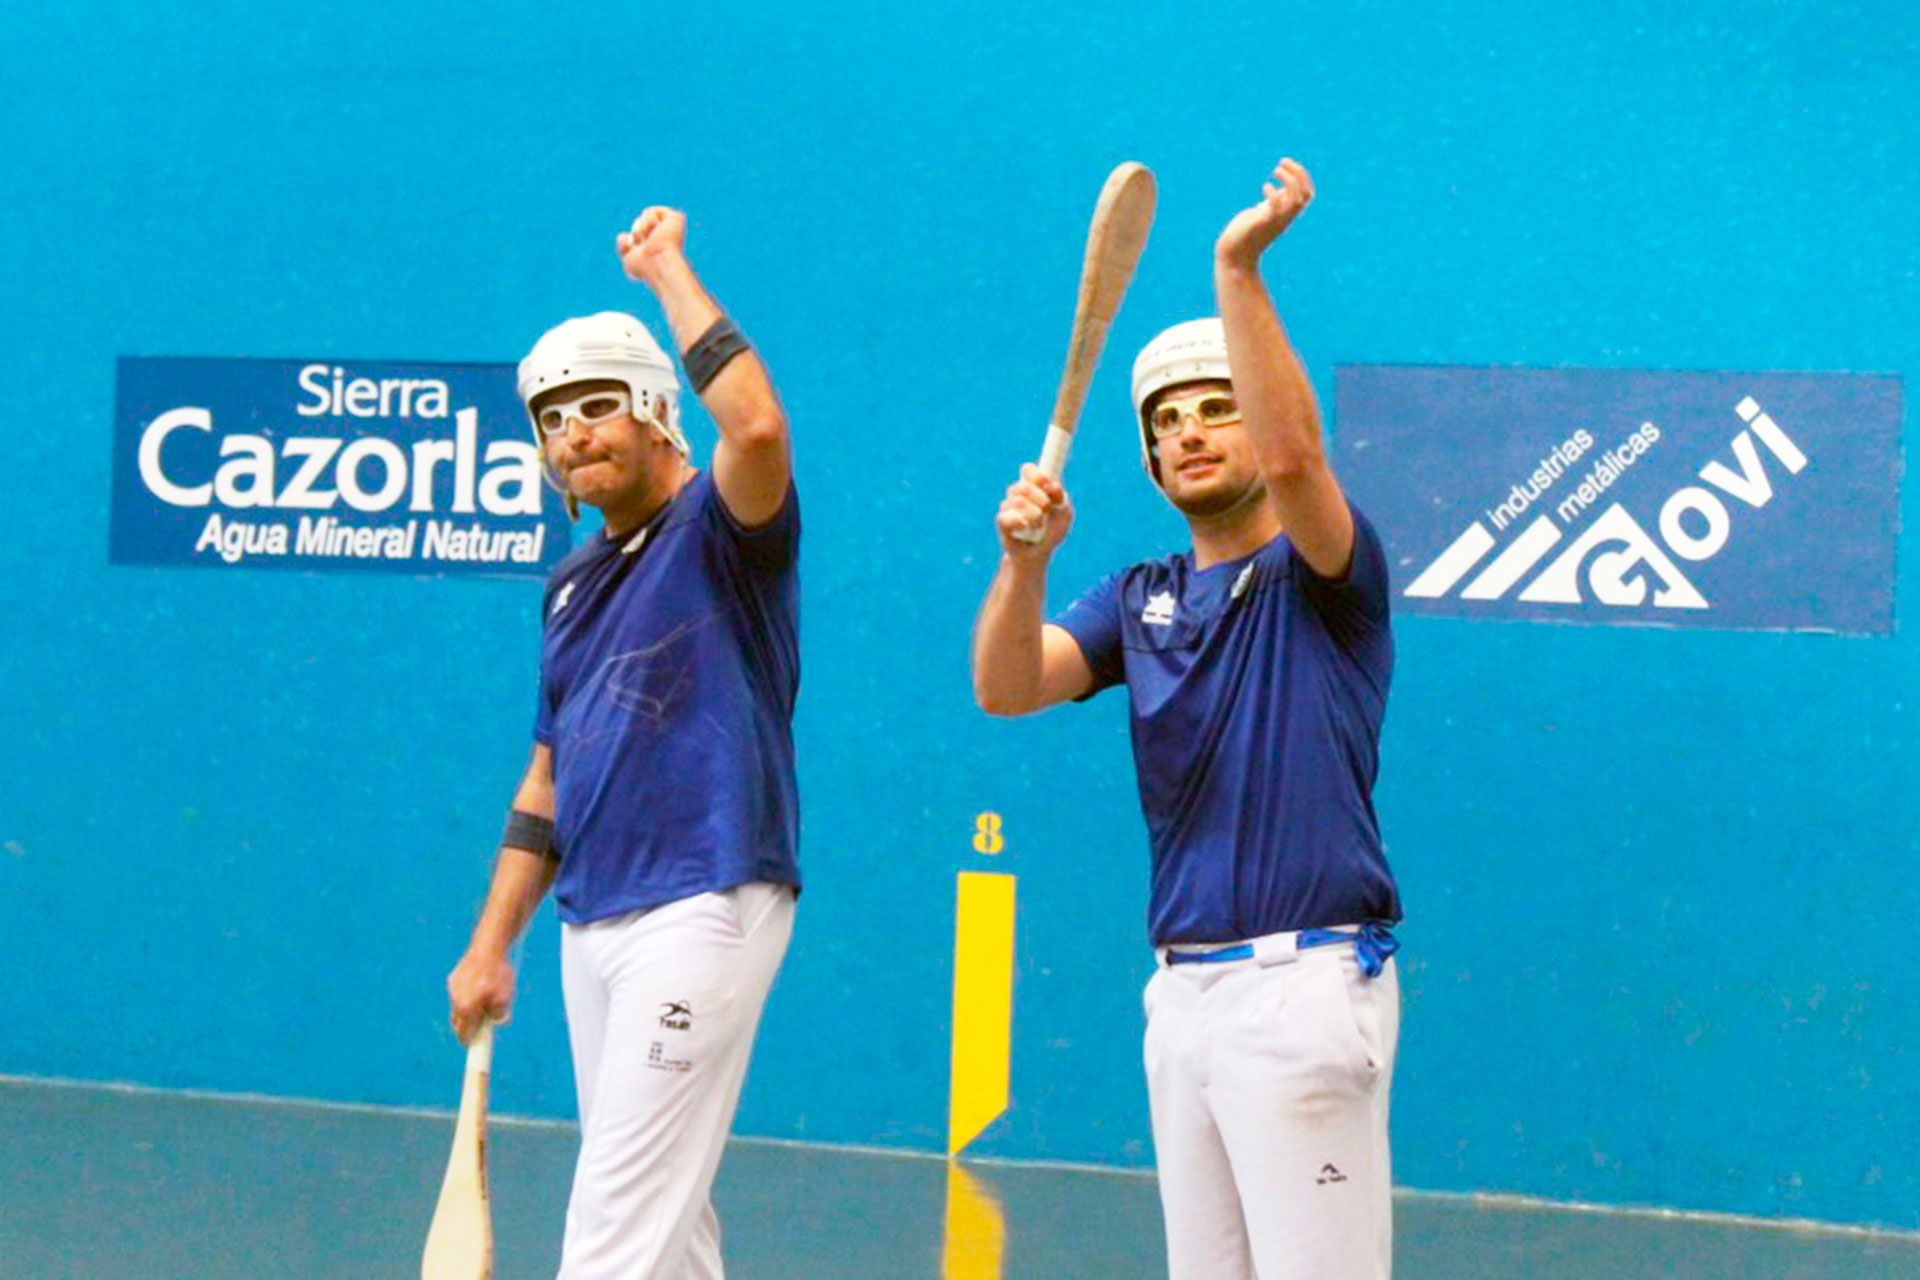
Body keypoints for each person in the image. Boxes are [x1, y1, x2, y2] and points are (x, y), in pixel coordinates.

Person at [971, 158, 1402, 1280]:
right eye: (1170, 421)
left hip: (1305, 987)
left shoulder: (1329, 573)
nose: (1196, 431)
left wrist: (1235, 269)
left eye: (1222, 408)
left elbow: (1301, 454)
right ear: (1152, 457)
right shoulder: (1134, 595)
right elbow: (1008, 684)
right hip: (1184, 997)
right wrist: (1024, 565)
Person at [446, 206, 800, 1280]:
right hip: (590, 918)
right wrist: (490, 939)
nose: (573, 435)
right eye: (553, 420)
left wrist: (667, 273)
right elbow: (547, 775)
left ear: (657, 414)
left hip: (705, 894)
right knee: (665, 1222)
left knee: (613, 1226)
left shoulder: (723, 531)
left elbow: (758, 431)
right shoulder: (569, 587)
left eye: (598, 408)